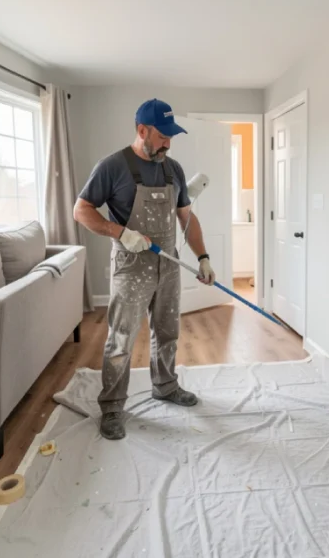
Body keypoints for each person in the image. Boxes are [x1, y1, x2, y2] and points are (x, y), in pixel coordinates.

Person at [73, 98, 216, 440]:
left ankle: (165, 386)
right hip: (131, 265)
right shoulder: (112, 166)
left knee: (167, 331)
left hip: (167, 264)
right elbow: (81, 209)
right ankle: (112, 407)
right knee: (121, 338)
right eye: (163, 135)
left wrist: (203, 257)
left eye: (172, 136)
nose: (168, 142)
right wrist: (119, 232)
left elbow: (186, 217)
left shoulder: (174, 169)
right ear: (142, 131)